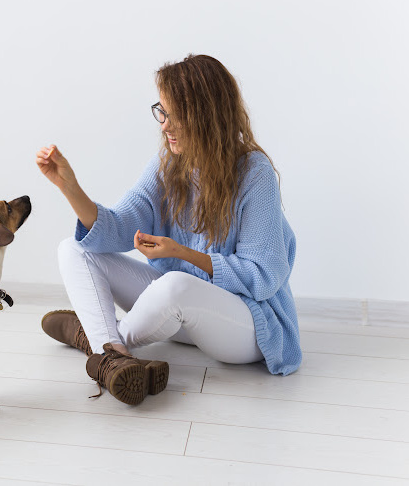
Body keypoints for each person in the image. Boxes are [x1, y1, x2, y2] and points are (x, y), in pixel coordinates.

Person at [35, 54, 301, 406]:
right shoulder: (168, 166)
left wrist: (180, 253)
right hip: (181, 313)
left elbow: (263, 276)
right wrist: (69, 187)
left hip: (248, 322)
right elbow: (117, 225)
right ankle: (112, 353)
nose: (164, 125)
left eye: (176, 115)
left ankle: (95, 342)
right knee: (73, 249)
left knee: (177, 284)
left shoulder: (255, 174)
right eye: (162, 111)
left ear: (207, 116)